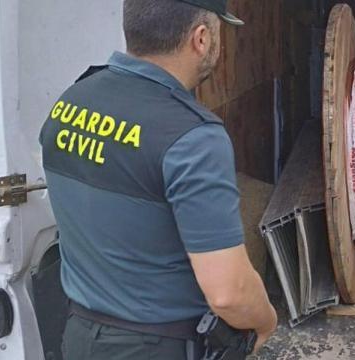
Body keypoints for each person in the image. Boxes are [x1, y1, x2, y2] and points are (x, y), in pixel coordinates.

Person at [39, 0, 277, 359]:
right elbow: (229, 293)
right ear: (200, 38)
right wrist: (265, 322)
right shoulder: (192, 136)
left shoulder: (70, 102)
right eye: (218, 33)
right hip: (156, 346)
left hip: (78, 336)